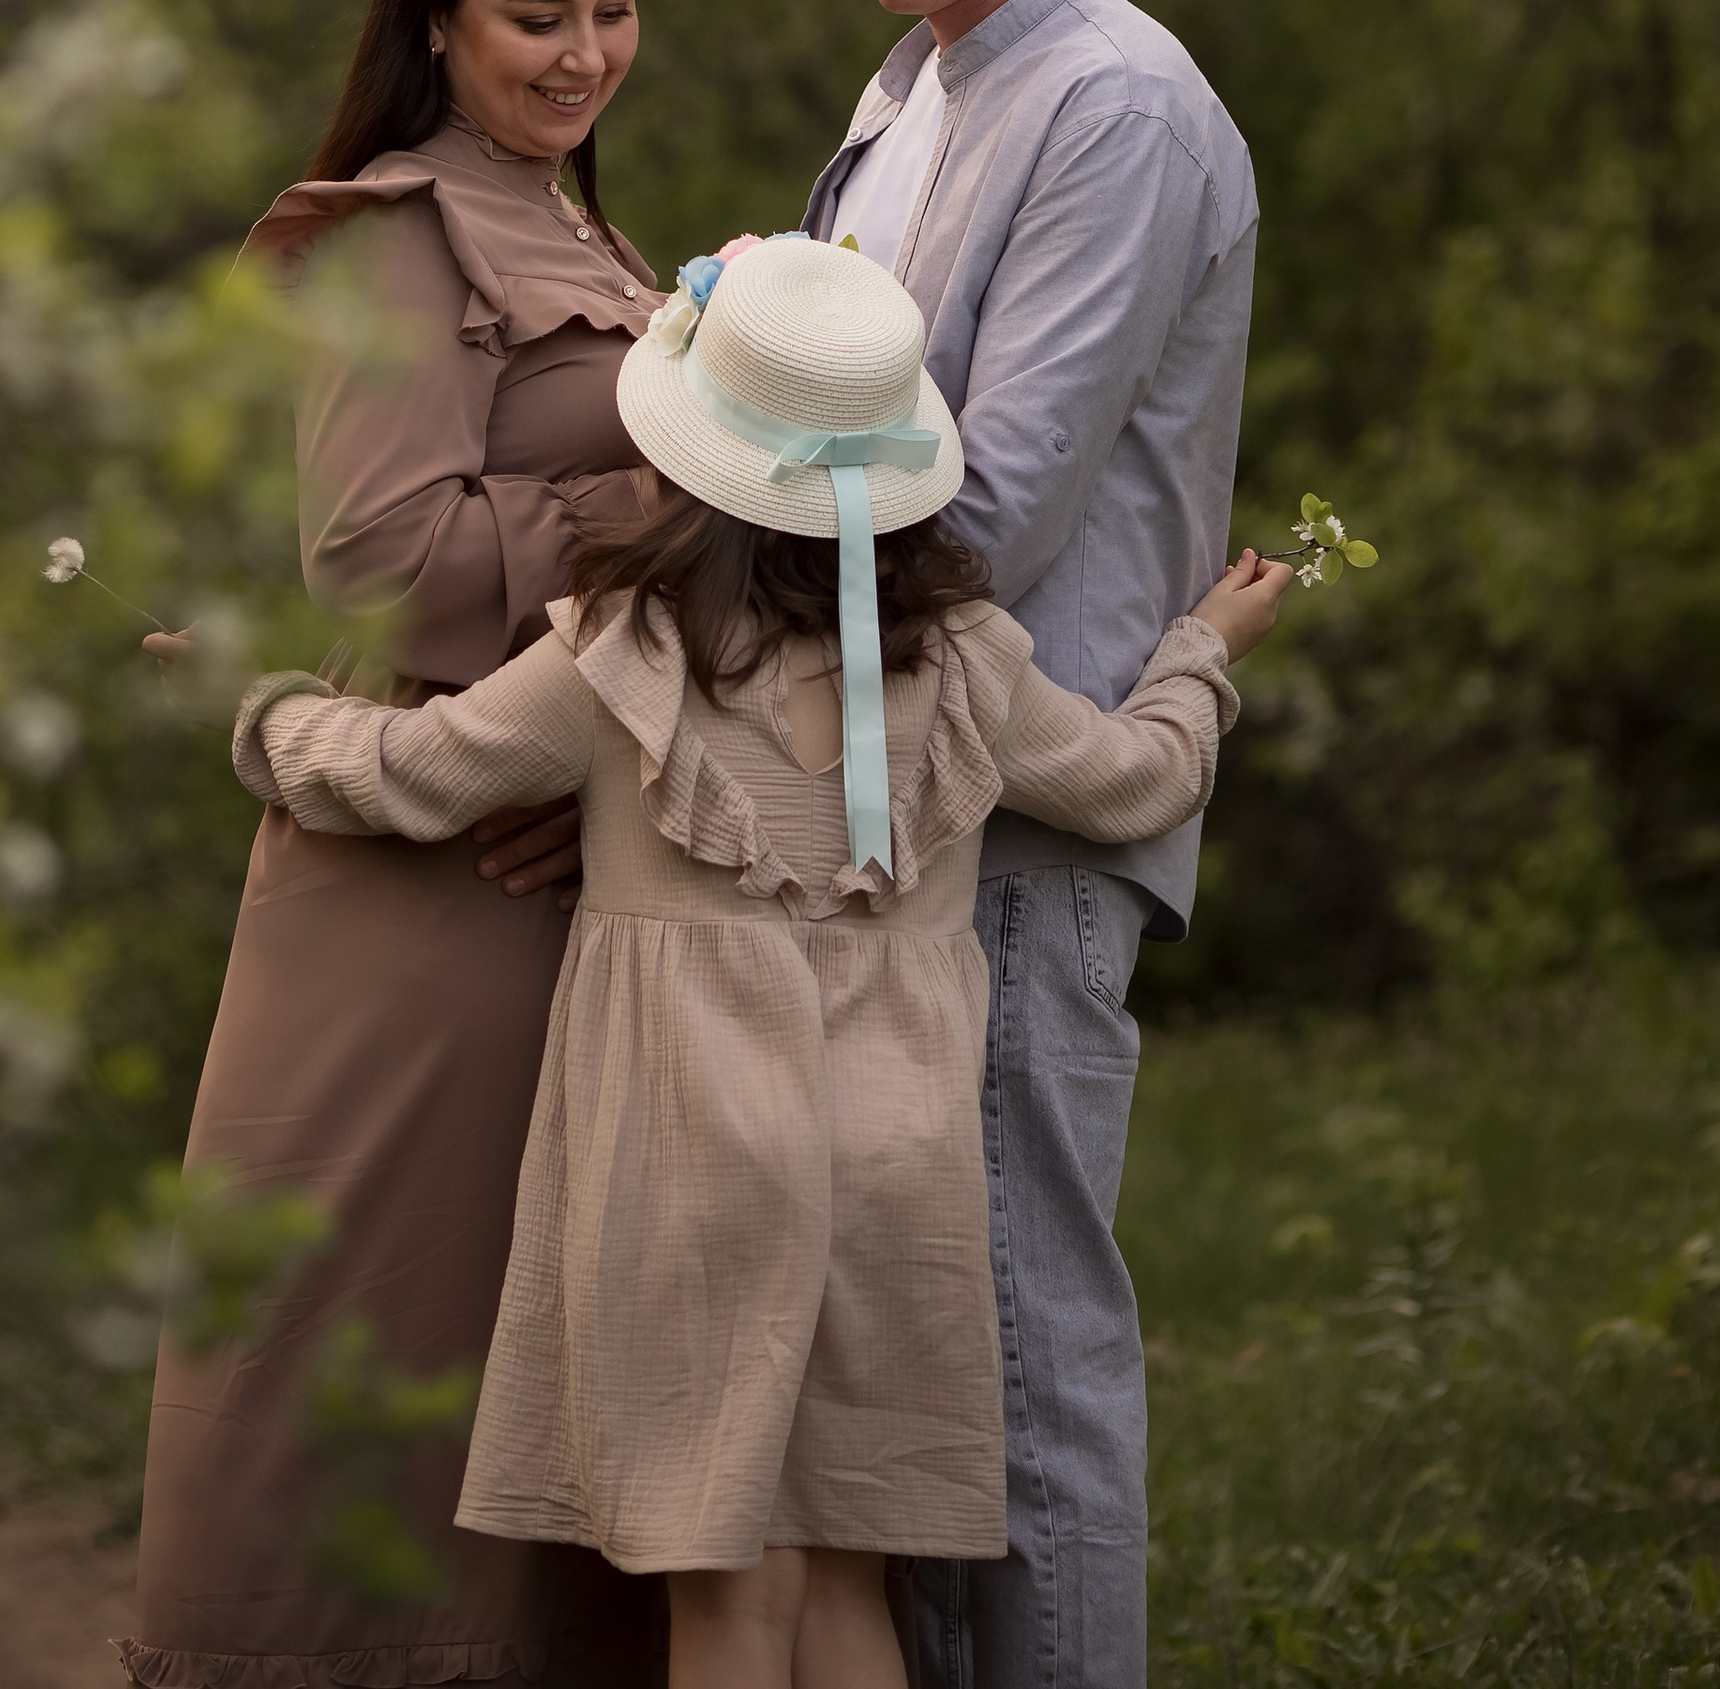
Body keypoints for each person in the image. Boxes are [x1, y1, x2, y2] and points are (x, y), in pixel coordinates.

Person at [232, 236, 1292, 1689]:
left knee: (729, 1600)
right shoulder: (967, 659)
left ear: (686, 462)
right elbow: (1134, 783)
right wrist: (1202, 652)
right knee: (845, 1582)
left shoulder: (624, 659)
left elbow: (403, 771)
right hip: (899, 1166)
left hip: (689, 1164)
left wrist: (258, 708)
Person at [121, 0, 670, 1689]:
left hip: (536, 868)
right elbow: (387, 568)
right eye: (537, 18)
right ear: (438, 23)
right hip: (414, 909)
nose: (583, 55)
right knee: (374, 1354)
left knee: (526, 1378)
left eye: (612, 10)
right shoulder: (391, 231)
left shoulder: (588, 223)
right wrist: (671, 500)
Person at [790, 0, 1260, 1689]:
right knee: (913, 1370)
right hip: (898, 817)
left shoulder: (1115, 108)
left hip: (1032, 822)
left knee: (1017, 1349)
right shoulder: (908, 93)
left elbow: (983, 509)